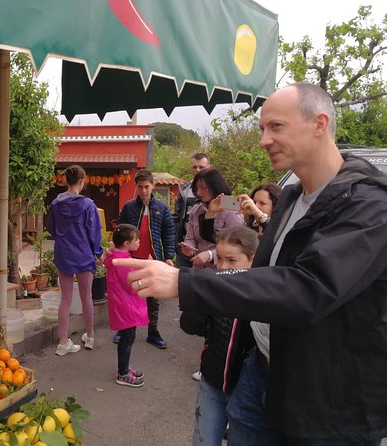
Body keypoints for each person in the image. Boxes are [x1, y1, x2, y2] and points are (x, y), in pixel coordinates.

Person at [114, 82, 387, 445]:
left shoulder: (369, 205)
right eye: (262, 129)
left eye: (276, 127)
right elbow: (264, 274)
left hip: (327, 401)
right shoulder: (291, 196)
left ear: (319, 124)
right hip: (259, 373)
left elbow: (306, 289)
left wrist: (185, 282)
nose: (263, 140)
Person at [180, 225, 258, 446]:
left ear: (252, 260)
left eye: (232, 261)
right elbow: (189, 326)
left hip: (246, 389)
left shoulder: (262, 297)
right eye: (219, 259)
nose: (223, 267)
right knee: (203, 440)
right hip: (212, 381)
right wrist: (201, 294)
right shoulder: (213, 285)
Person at [116, 169, 175, 349]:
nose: (143, 191)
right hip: (131, 259)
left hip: (153, 258)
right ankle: (124, 328)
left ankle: (153, 332)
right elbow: (120, 231)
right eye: (140, 187)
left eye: (147, 187)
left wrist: (169, 257)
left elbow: (168, 234)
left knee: (152, 297)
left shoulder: (162, 208)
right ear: (136, 187)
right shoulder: (128, 207)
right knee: (127, 296)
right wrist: (118, 252)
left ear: (153, 186)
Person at [49, 165, 103, 356]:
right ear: (82, 181)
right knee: (86, 297)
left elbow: (52, 230)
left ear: (66, 181)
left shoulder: (56, 203)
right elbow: (94, 232)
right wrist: (98, 253)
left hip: (64, 254)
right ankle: (90, 336)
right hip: (83, 254)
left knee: (65, 298)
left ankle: (63, 341)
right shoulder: (88, 205)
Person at [104, 224, 149, 387]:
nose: (138, 243)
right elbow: (132, 284)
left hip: (122, 303)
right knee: (128, 338)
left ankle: (124, 367)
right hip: (126, 305)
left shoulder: (117, 257)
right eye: (136, 240)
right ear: (126, 244)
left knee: (126, 337)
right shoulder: (123, 262)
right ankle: (122, 373)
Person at [180, 168, 244, 269]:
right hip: (199, 268)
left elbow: (237, 244)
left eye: (204, 188)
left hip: (222, 269)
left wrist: (211, 254)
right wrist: (188, 247)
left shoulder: (232, 207)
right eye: (197, 189)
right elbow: (190, 238)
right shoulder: (197, 209)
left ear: (215, 187)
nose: (199, 193)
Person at [174, 153, 210, 267]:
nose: (197, 170)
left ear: (209, 167)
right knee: (181, 280)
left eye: (201, 167)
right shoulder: (184, 189)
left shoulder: (216, 189)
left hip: (207, 249)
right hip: (185, 245)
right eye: (194, 167)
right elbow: (177, 216)